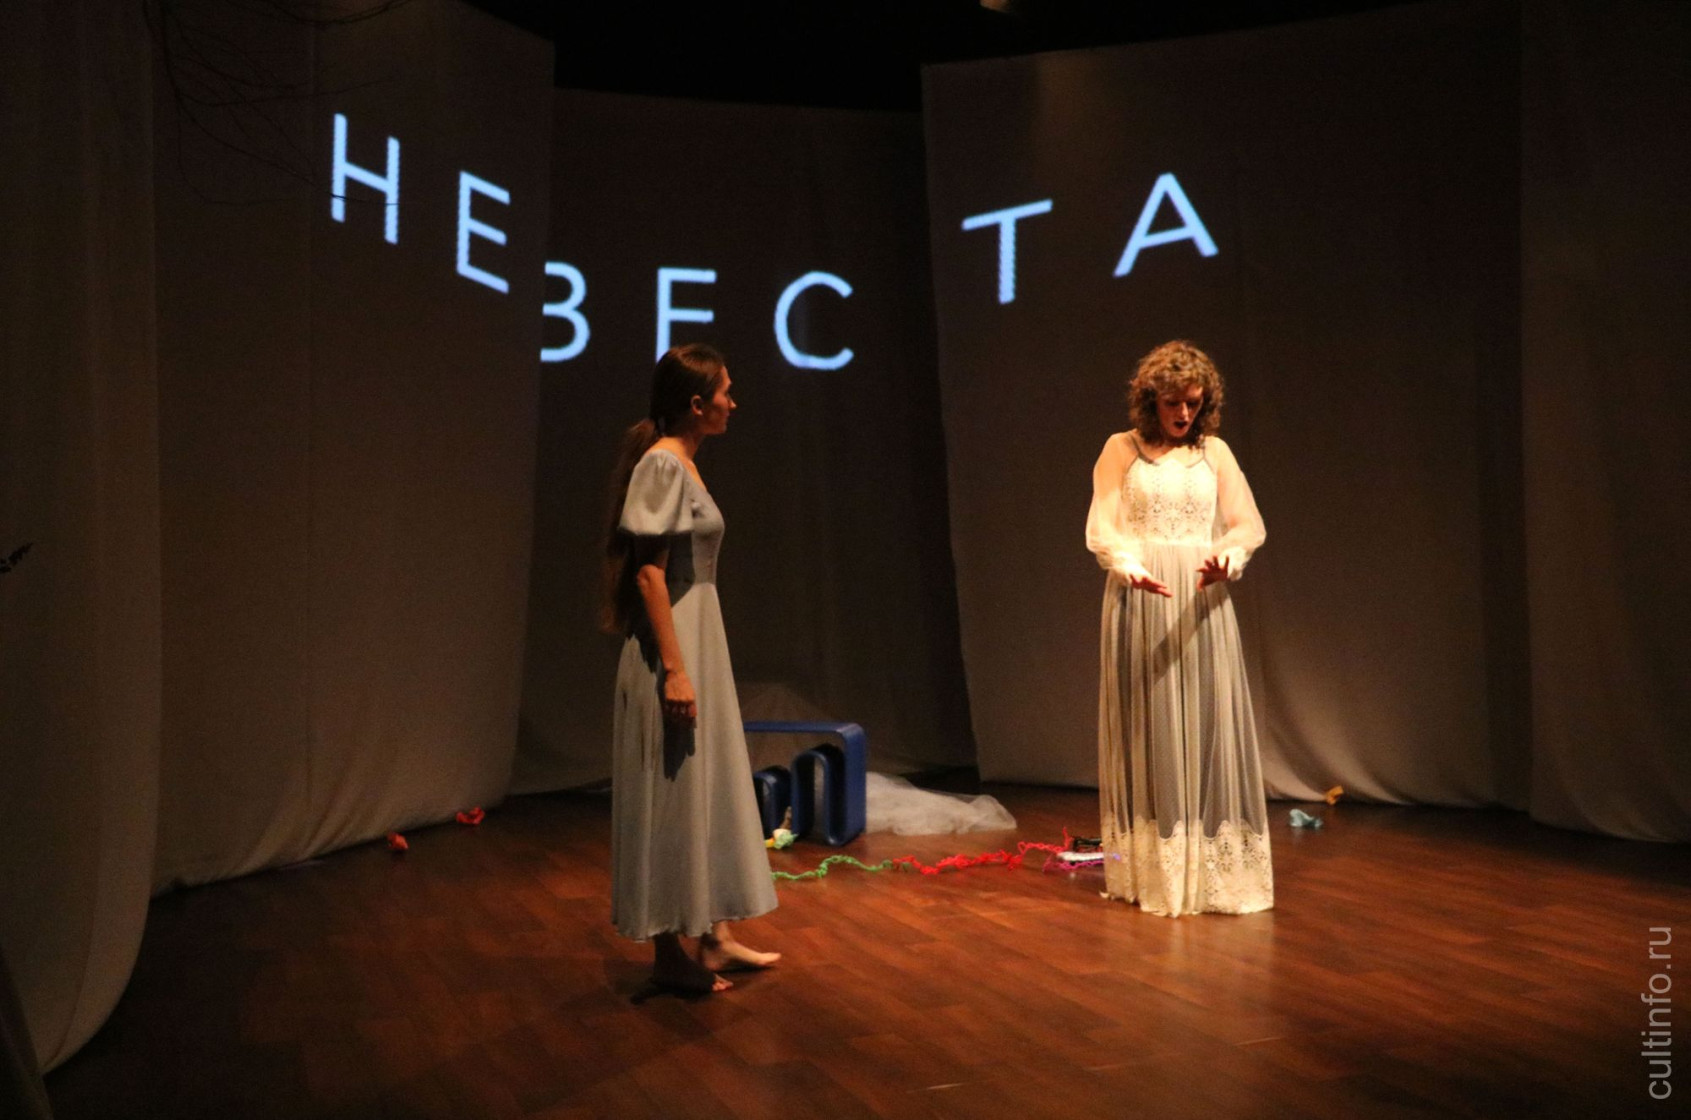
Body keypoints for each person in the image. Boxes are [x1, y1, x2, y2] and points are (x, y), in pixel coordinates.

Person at [601, 344, 780, 992]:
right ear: (698, 405)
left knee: (703, 785)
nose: (734, 402)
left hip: (699, 635)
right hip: (672, 645)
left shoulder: (684, 464)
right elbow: (649, 574)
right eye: (726, 392)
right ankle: (667, 954)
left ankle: (713, 939)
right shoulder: (662, 464)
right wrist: (675, 671)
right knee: (672, 792)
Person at [1084, 340, 1273, 917]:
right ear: (1151, 401)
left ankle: (1209, 873)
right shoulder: (1122, 450)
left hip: (1199, 599)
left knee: (1206, 717)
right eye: (1173, 403)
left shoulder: (1215, 454)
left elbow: (1246, 525)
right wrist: (1128, 566)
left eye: (1193, 402)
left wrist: (1227, 561)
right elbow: (1103, 526)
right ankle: (1155, 871)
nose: (1184, 413)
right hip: (1140, 599)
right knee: (1149, 725)